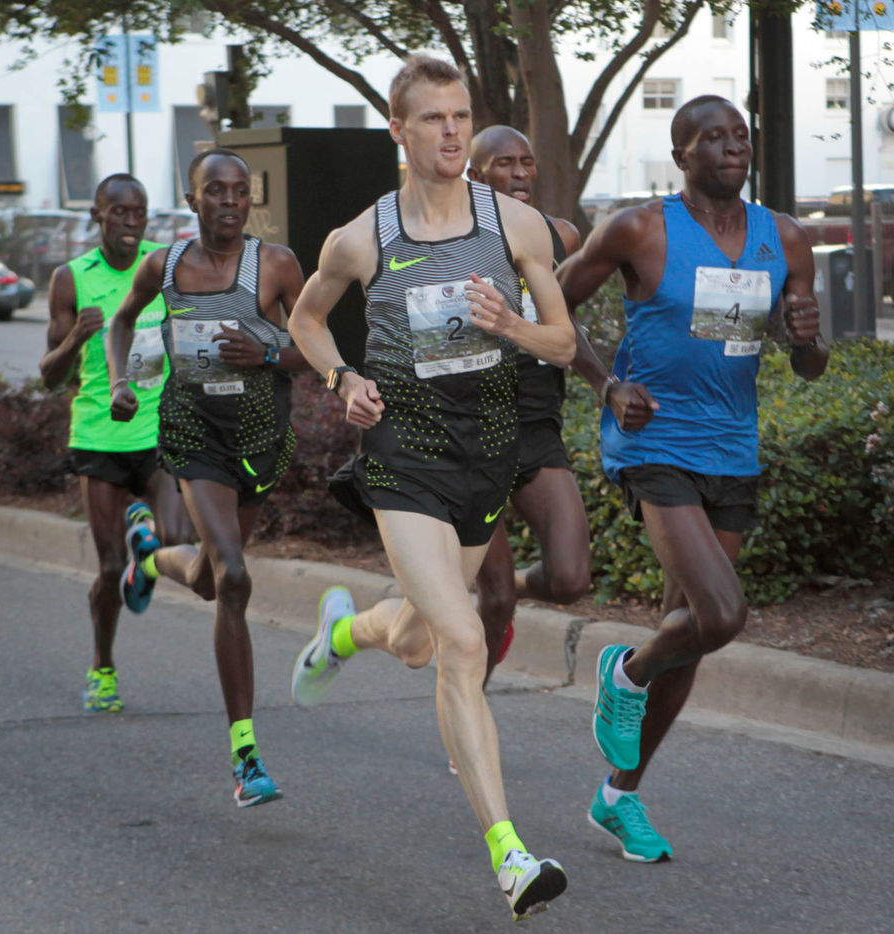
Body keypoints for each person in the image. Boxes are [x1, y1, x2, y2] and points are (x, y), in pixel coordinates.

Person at [288, 56, 576, 921]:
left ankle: (346, 632)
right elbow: (305, 318)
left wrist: (511, 323)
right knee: (460, 641)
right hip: (403, 457)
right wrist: (342, 379)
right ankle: (510, 855)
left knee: (415, 638)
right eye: (434, 120)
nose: (452, 132)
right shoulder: (362, 239)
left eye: (460, 117)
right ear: (399, 132)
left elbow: (562, 343)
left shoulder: (516, 225)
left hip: (483, 458)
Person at [557, 94, 827, 863]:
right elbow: (550, 306)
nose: (733, 146)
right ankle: (625, 669)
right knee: (722, 612)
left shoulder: (787, 240)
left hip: (732, 451)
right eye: (713, 137)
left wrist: (805, 342)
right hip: (656, 443)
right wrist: (607, 385)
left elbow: (810, 366)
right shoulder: (639, 229)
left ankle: (618, 796)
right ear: (682, 155)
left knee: (694, 635)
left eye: (741, 134)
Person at [107, 148, 306, 808]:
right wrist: (120, 383)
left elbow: (317, 345)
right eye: (214, 190)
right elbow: (121, 322)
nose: (228, 200)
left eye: (239, 191)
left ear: (252, 201)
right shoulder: (165, 266)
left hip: (258, 438)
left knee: (208, 580)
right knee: (237, 577)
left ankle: (150, 555)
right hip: (194, 437)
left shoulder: (275, 265)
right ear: (191, 199)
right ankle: (245, 757)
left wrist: (271, 349)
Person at [40, 173, 194, 714]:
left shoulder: (163, 266)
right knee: (108, 571)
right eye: (118, 213)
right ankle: (103, 667)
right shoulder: (71, 279)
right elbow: (49, 377)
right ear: (96, 216)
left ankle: (143, 534)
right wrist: (78, 338)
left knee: (179, 538)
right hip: (101, 438)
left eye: (139, 213)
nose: (131, 223)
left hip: (157, 433)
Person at [465, 125, 590, 688]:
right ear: (474, 174)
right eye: (503, 164)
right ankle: (471, 706)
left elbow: (569, 329)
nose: (519, 174)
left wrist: (607, 384)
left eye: (527, 162)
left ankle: (498, 592)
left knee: (569, 579)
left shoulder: (560, 236)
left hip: (536, 424)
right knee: (492, 600)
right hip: (468, 432)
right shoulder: (451, 244)